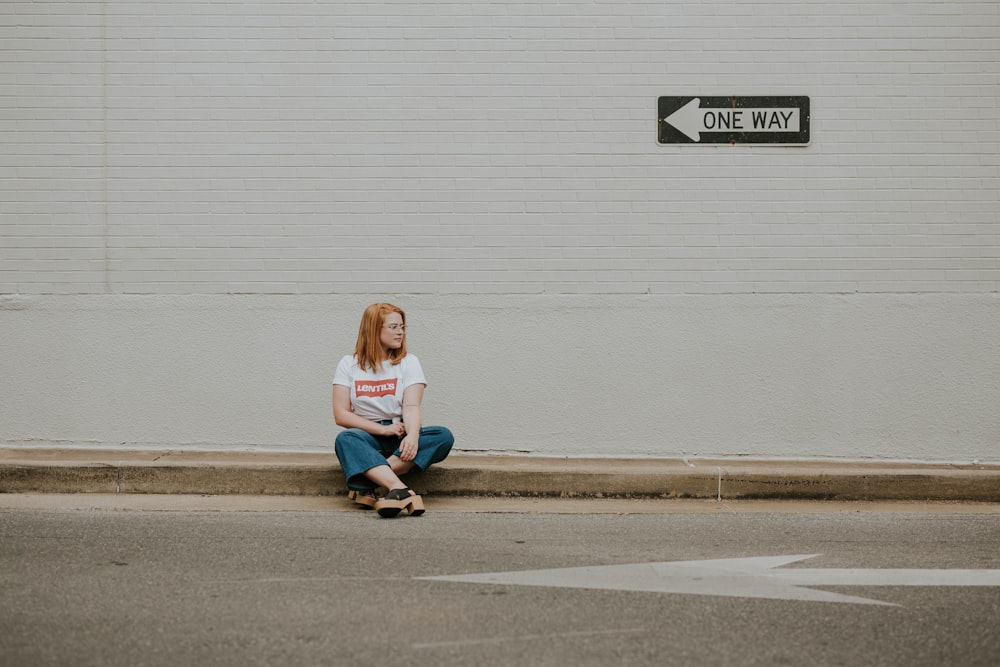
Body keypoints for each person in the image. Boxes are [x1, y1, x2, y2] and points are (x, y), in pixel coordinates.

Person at [332, 303, 454, 518]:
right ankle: (400, 489)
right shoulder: (348, 364)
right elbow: (341, 414)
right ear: (374, 329)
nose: (401, 332)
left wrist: (413, 436)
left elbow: (411, 406)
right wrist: (382, 431)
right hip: (367, 436)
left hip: (401, 435)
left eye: (402, 327)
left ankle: (365, 478)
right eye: (394, 327)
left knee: (442, 436)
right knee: (346, 439)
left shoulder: (408, 362)